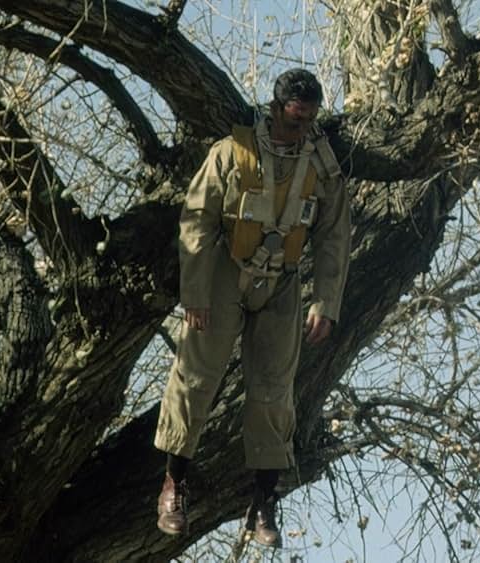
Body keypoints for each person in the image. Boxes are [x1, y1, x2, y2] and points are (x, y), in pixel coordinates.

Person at [153, 68, 351, 547]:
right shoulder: (231, 153)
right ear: (276, 108)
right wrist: (195, 293)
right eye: (293, 115)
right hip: (225, 273)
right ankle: (174, 483)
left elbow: (333, 236)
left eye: (308, 118)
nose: (300, 124)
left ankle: (263, 502)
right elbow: (197, 220)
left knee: (273, 393)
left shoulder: (321, 167)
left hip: (281, 285)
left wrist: (326, 301)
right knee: (195, 379)